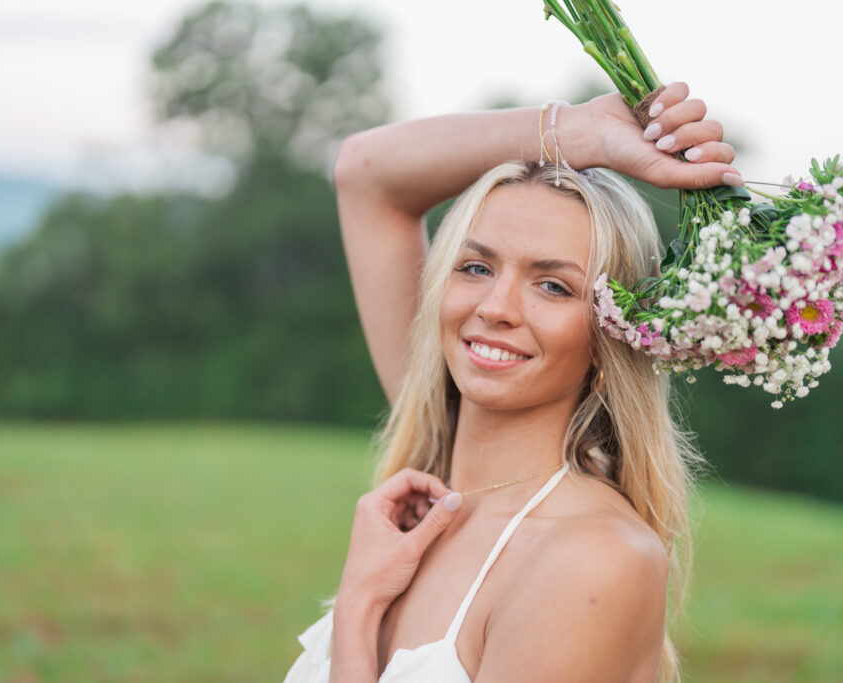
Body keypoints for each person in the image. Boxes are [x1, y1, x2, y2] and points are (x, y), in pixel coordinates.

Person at [283, 83, 740, 682]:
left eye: (552, 285)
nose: (496, 306)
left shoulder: (594, 559)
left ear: (610, 336)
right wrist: (578, 133)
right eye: (475, 267)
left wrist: (358, 612)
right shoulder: (438, 465)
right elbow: (365, 171)